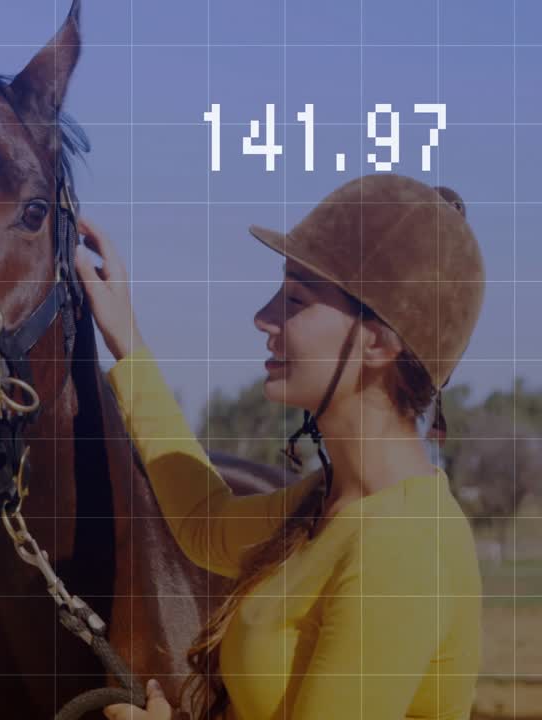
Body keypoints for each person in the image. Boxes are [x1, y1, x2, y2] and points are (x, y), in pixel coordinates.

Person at [80, 174, 486, 720]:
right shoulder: (328, 503)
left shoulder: (403, 548)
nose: (264, 317)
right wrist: (126, 340)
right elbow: (205, 521)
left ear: (379, 341)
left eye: (295, 299)